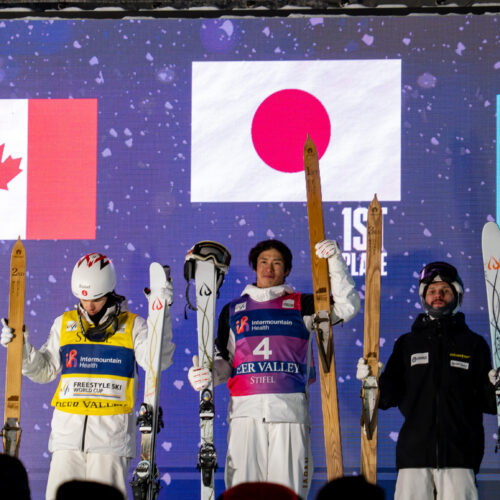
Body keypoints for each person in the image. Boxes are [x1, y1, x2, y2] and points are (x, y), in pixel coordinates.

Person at [188, 239, 360, 497]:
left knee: (286, 492)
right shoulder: (233, 310)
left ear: (287, 269)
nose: (269, 268)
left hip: (289, 413)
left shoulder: (303, 304)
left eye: (276, 263)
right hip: (245, 415)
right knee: (243, 493)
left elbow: (347, 307)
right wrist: (208, 376)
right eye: (263, 262)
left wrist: (335, 261)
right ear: (255, 267)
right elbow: (225, 362)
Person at [1, 252, 175, 500]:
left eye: (96, 298)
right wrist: (21, 350)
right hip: (66, 440)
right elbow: (44, 370)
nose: (89, 305)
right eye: (83, 298)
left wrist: (162, 316)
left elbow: (159, 360)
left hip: (110, 442)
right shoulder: (64, 323)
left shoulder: (133, 325)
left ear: (110, 292)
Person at [357, 261, 497, 500]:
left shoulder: (474, 344)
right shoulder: (407, 344)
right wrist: (372, 381)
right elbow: (387, 397)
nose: (438, 296)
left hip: (460, 455)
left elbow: (490, 405)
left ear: (457, 295)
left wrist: (496, 387)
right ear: (424, 297)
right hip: (414, 455)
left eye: (445, 290)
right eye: (432, 291)